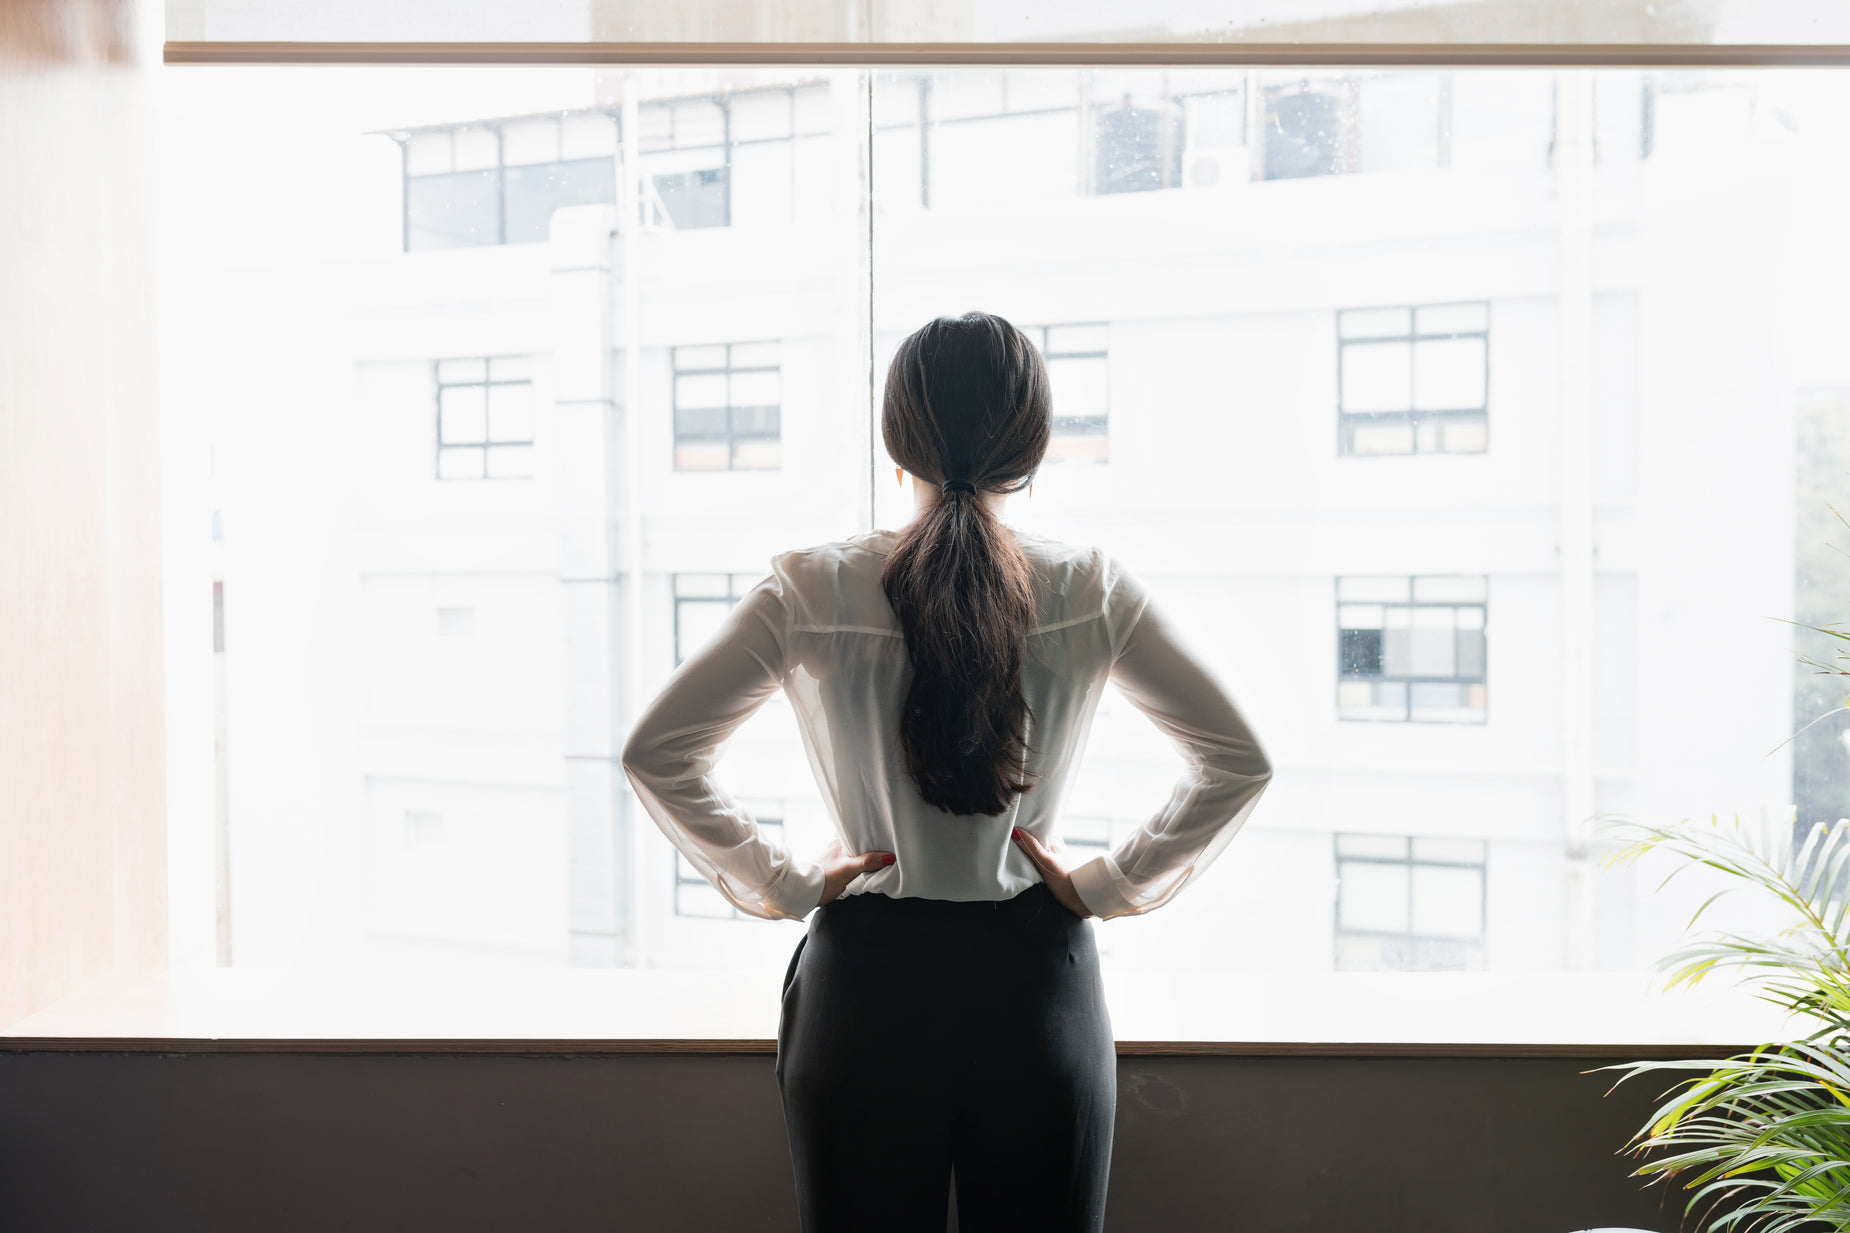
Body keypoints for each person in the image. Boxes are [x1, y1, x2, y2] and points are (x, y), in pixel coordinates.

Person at [621, 312, 1273, 1233]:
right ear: (1033, 448)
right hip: (1034, 989)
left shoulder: (811, 585)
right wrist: (1106, 882)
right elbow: (1238, 760)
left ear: (896, 442)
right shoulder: (1090, 586)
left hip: (867, 993)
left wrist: (788, 881)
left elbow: (659, 751)